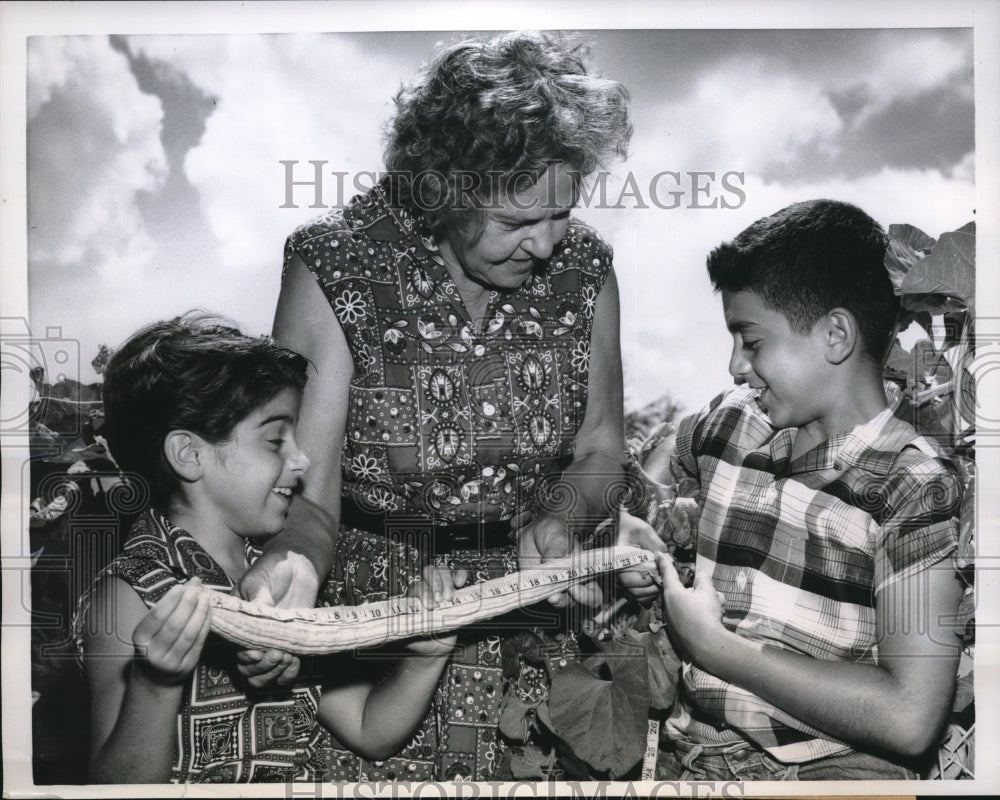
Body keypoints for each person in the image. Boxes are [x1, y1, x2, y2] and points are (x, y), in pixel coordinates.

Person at [242, 31, 633, 780]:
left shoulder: (586, 271)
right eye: (517, 223)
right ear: (443, 192)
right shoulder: (339, 265)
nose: (550, 245)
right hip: (379, 642)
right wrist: (292, 562)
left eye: (561, 213)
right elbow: (309, 493)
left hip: (532, 625)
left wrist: (560, 517)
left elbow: (600, 451)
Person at [621, 199, 965, 780]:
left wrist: (716, 648)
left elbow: (910, 716)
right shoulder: (734, 422)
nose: (734, 365)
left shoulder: (913, 484)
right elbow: (660, 463)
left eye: (751, 341)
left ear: (835, 335)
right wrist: (639, 527)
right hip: (696, 758)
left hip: (830, 769)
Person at [75, 314, 464, 783]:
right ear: (189, 454)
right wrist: (156, 686)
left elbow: (366, 726)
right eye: (275, 440)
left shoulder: (279, 575)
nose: (301, 460)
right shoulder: (130, 592)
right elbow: (115, 789)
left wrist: (426, 656)